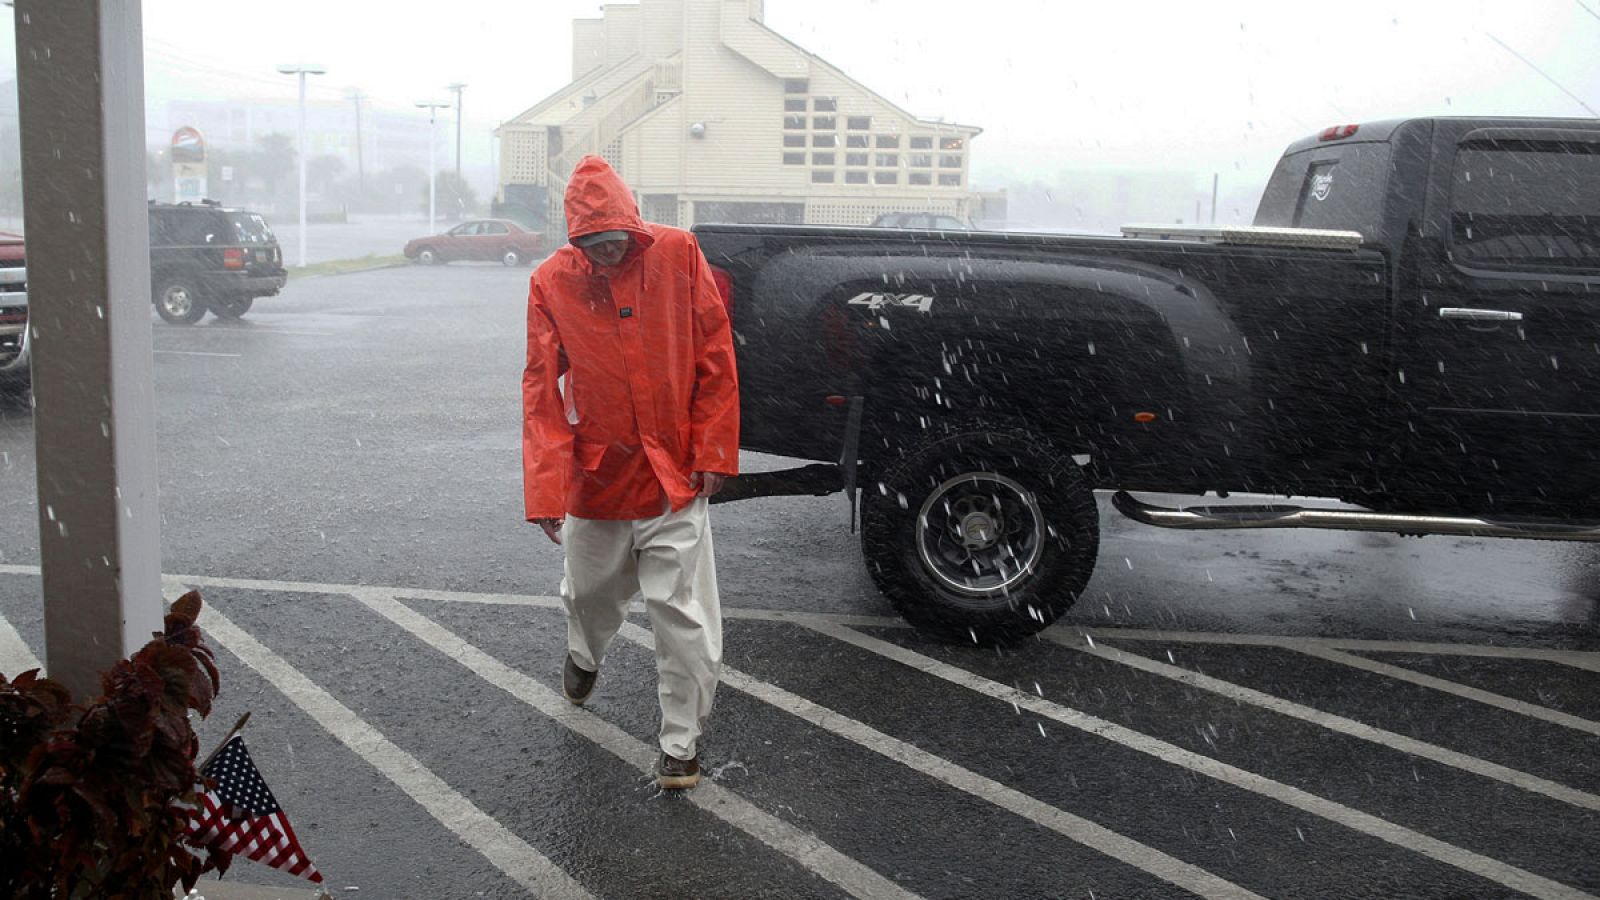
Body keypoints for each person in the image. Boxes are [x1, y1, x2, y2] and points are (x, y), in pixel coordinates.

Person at [521, 155, 739, 790]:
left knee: (684, 616)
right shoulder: (551, 281)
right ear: (575, 239)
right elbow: (541, 387)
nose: (607, 253)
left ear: (633, 225)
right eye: (592, 244)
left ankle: (681, 743)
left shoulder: (679, 254)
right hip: (599, 478)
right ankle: (585, 652)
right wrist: (546, 487)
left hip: (674, 478)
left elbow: (714, 350)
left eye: (615, 239)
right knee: (591, 594)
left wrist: (714, 450)